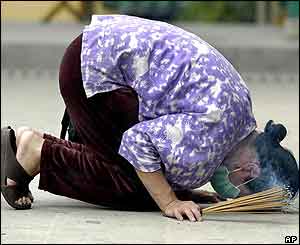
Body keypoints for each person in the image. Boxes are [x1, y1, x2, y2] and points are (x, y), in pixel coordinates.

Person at [1, 15, 299, 222]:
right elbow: (138, 142)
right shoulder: (214, 135)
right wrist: (170, 200)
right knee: (140, 188)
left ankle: (36, 143)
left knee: (153, 176)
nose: (234, 195)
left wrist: (181, 187)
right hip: (92, 76)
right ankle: (37, 154)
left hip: (96, 53)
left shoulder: (241, 111)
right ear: (248, 171)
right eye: (242, 194)